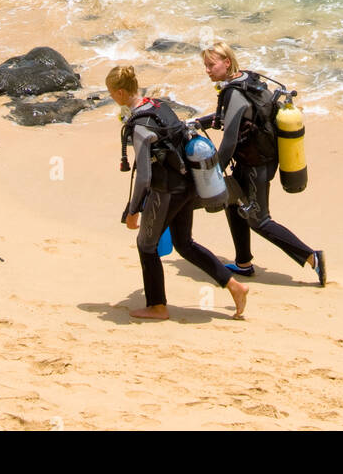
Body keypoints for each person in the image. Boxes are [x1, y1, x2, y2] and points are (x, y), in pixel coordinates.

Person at [106, 64, 248, 322]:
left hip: (167, 191)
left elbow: (145, 177)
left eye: (111, 93)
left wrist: (133, 210)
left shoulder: (139, 125)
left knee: (146, 245)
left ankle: (157, 306)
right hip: (189, 185)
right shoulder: (160, 106)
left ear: (119, 93)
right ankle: (234, 286)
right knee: (184, 244)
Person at [200, 42, 327, 285]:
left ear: (227, 63)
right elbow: (234, 118)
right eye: (205, 65)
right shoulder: (250, 80)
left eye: (211, 64)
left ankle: (312, 257)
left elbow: (228, 142)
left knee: (260, 220)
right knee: (232, 201)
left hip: (255, 165)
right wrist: (200, 122)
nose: (207, 70)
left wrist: (214, 171)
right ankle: (243, 263)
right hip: (266, 157)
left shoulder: (234, 93)